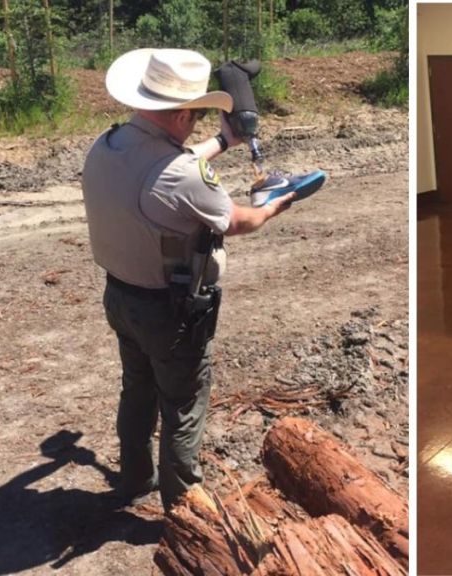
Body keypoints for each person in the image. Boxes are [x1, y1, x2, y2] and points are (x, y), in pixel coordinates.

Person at [80, 48, 296, 512]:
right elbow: (234, 219)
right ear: (179, 114)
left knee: (137, 388)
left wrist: (222, 142)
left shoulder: (109, 143)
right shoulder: (183, 175)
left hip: (121, 296)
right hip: (169, 311)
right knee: (182, 405)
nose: (196, 123)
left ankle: (136, 478)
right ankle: (184, 510)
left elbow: (163, 164)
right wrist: (274, 206)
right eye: (196, 115)